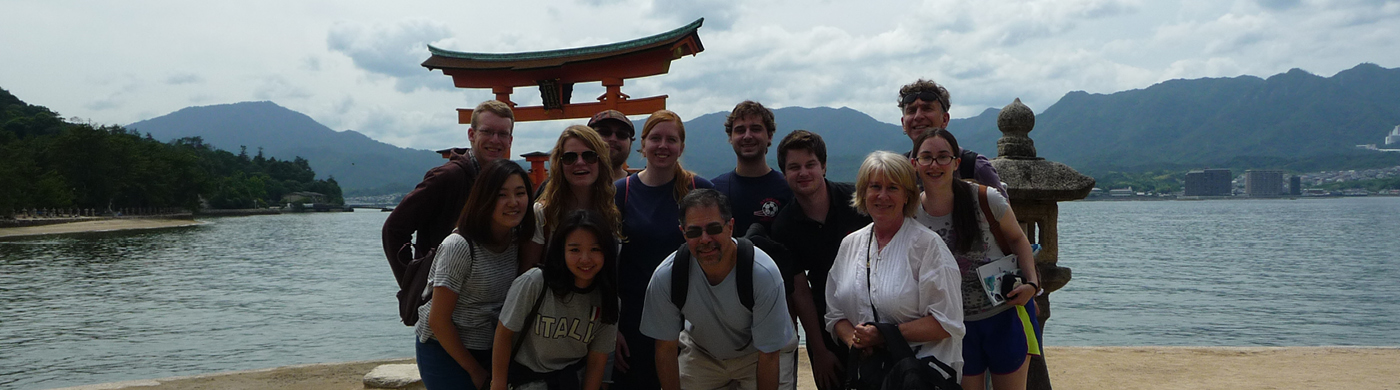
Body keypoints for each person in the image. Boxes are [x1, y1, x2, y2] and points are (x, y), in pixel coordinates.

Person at [912, 129, 1041, 390]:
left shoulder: (985, 199)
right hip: (954, 326)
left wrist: (1032, 283)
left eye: (943, 157)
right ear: (914, 164)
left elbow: (1018, 239)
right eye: (926, 157)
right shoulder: (912, 213)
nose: (934, 165)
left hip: (1004, 315)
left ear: (956, 163)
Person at [824, 151, 965, 382]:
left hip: (921, 376)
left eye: (893, 188)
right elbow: (834, 313)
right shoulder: (850, 245)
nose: (882, 196)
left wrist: (883, 336)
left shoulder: (928, 246)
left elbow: (947, 322)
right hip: (869, 376)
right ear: (863, 192)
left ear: (907, 196)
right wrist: (856, 340)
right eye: (875, 187)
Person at [640, 189, 797, 390]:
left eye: (713, 228)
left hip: (760, 352)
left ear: (730, 227)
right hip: (703, 353)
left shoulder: (762, 273)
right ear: (683, 233)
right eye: (695, 232)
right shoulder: (667, 276)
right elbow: (665, 348)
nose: (705, 239)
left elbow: (769, 355)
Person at [610, 110, 714, 389]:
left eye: (671, 139)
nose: (663, 146)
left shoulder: (699, 189)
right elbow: (608, 264)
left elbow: (722, 254)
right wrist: (612, 327)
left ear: (681, 147)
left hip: (693, 317)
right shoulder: (622, 192)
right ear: (642, 145)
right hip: (635, 318)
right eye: (655, 138)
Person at [415, 160, 536, 390]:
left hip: (492, 348)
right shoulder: (459, 246)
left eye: (520, 193)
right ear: (485, 198)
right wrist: (475, 371)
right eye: (502, 195)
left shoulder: (516, 241)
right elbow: (438, 320)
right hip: (444, 348)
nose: (513, 202)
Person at [769, 130, 871, 390]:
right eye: (794, 167)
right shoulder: (784, 226)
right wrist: (819, 352)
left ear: (823, 167)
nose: (803, 173)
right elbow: (800, 292)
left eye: (810, 164)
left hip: (874, 312)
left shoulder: (858, 203)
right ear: (784, 174)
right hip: (826, 322)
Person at [384, 100, 515, 292]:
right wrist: (412, 288)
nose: (495, 140)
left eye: (502, 134)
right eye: (487, 132)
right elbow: (394, 229)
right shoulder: (447, 178)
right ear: (471, 134)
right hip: (441, 296)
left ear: (510, 140)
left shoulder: (505, 182)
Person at [491, 209, 619, 390]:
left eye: (595, 249)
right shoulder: (534, 282)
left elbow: (597, 361)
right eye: (575, 249)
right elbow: (504, 334)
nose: (585, 259)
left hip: (572, 381)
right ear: (561, 250)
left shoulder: (607, 297)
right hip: (525, 381)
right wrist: (498, 385)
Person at [518, 125, 622, 270]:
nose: (580, 162)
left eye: (589, 156)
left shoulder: (613, 210)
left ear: (601, 161)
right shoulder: (543, 215)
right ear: (559, 164)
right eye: (570, 157)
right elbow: (528, 272)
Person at [896, 79, 1005, 193]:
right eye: (911, 110)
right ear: (903, 123)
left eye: (927, 108)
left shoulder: (974, 167)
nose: (918, 116)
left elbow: (1001, 209)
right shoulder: (897, 171)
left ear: (945, 119)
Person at [711, 101, 792, 235]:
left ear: (769, 136)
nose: (747, 136)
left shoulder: (788, 189)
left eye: (755, 129)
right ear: (730, 137)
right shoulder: (714, 190)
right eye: (740, 130)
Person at [589, 110, 636, 180]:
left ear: (630, 143)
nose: (613, 139)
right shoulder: (571, 186)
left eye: (622, 134)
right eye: (604, 132)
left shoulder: (640, 189)